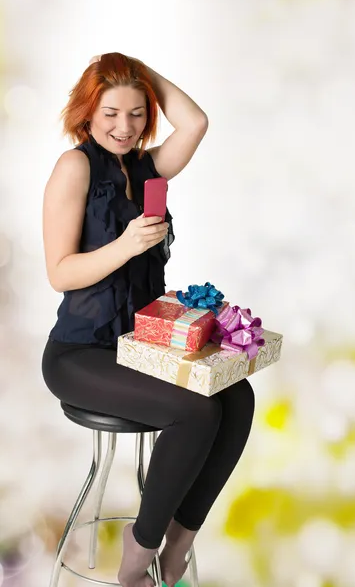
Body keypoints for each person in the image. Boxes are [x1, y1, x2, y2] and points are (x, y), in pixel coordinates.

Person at [41, 53, 255, 587]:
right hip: (80, 353)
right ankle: (137, 561)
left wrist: (138, 72)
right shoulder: (76, 166)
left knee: (237, 396)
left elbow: (197, 123)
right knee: (196, 414)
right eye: (110, 112)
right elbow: (60, 273)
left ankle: (179, 545)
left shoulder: (146, 167)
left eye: (137, 113)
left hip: (141, 345)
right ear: (88, 112)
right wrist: (126, 245)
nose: (124, 126)